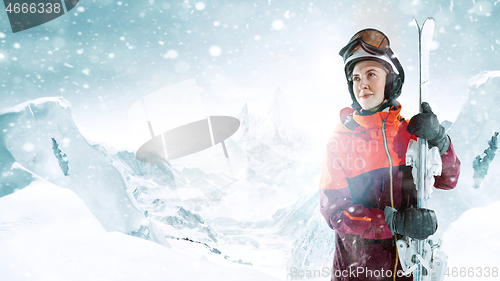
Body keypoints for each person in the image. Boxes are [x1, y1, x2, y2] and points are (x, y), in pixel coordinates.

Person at [319, 29, 461, 281]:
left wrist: (440, 140)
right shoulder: (340, 142)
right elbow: (335, 212)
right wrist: (392, 223)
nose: (362, 83)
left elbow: (448, 180)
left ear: (391, 80)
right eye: (355, 78)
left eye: (371, 74)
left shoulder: (411, 135)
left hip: (409, 271)